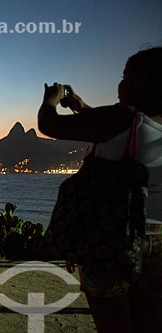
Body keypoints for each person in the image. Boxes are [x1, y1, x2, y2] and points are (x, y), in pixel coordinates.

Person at [38, 47, 162, 333]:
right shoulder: (142, 123)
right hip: (158, 239)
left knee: (113, 323)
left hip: (113, 240)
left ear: (142, 82)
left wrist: (50, 100)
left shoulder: (120, 118)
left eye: (125, 76)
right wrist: (83, 108)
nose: (120, 84)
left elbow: (49, 124)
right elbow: (129, 132)